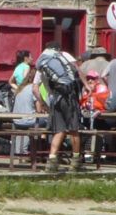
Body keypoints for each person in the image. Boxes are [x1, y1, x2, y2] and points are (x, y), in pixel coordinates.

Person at [34, 43, 85, 174]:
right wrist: (86, 87)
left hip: (55, 99)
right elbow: (77, 71)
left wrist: (44, 103)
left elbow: (35, 87)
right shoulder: (63, 56)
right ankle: (75, 162)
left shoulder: (43, 61)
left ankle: (51, 162)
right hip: (69, 96)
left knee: (59, 130)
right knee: (74, 129)